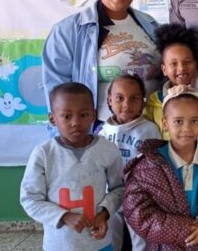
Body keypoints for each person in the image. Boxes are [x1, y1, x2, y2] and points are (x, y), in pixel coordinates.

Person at [42, 0, 160, 121]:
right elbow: (56, 86)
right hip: (100, 130)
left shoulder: (151, 25)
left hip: (150, 128)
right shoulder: (69, 30)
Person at [123, 85, 198, 250]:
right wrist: (184, 230)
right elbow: (136, 211)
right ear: (165, 123)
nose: (186, 128)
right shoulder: (147, 165)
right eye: (178, 121)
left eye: (194, 121)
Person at [20, 83, 124, 251]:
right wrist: (64, 216)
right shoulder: (44, 154)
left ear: (93, 115)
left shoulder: (107, 149)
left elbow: (119, 188)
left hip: (99, 242)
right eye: (67, 116)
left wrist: (104, 214)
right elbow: (30, 199)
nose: (76, 122)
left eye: (83, 115)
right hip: (60, 245)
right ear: (53, 119)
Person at [97, 74, 160, 250]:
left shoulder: (149, 129)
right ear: (109, 100)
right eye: (119, 98)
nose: (126, 104)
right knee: (112, 236)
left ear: (143, 101)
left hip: (140, 195)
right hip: (111, 194)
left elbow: (156, 164)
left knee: (141, 239)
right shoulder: (102, 131)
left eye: (134, 98)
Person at [144, 23, 198, 138]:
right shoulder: (155, 102)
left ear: (195, 64)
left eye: (187, 62)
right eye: (173, 64)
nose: (181, 68)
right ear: (164, 69)